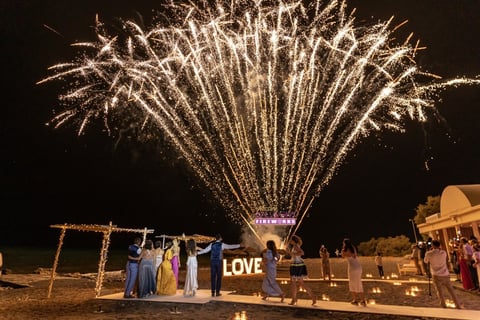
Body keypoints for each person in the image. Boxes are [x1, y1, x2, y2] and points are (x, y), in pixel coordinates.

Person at [424, 239, 463, 309]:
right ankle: (457, 304)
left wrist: (429, 251)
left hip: (436, 274)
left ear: (432, 245)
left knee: (439, 291)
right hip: (445, 273)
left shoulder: (429, 253)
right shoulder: (443, 253)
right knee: (451, 290)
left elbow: (426, 261)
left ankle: (443, 305)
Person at [286, 235, 316, 306]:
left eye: (291, 240)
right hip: (297, 264)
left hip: (296, 265)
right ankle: (313, 297)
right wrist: (290, 252)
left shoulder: (296, 246)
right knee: (301, 283)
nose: (290, 241)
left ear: (293, 240)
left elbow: (302, 253)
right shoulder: (296, 246)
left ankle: (294, 299)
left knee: (293, 283)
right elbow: (296, 254)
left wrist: (291, 253)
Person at [341, 238, 366, 306]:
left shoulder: (344, 250)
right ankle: (363, 300)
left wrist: (342, 251)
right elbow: (354, 255)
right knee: (358, 283)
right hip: (358, 267)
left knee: (352, 283)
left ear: (344, 243)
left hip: (352, 268)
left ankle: (355, 300)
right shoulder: (353, 248)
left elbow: (343, 256)